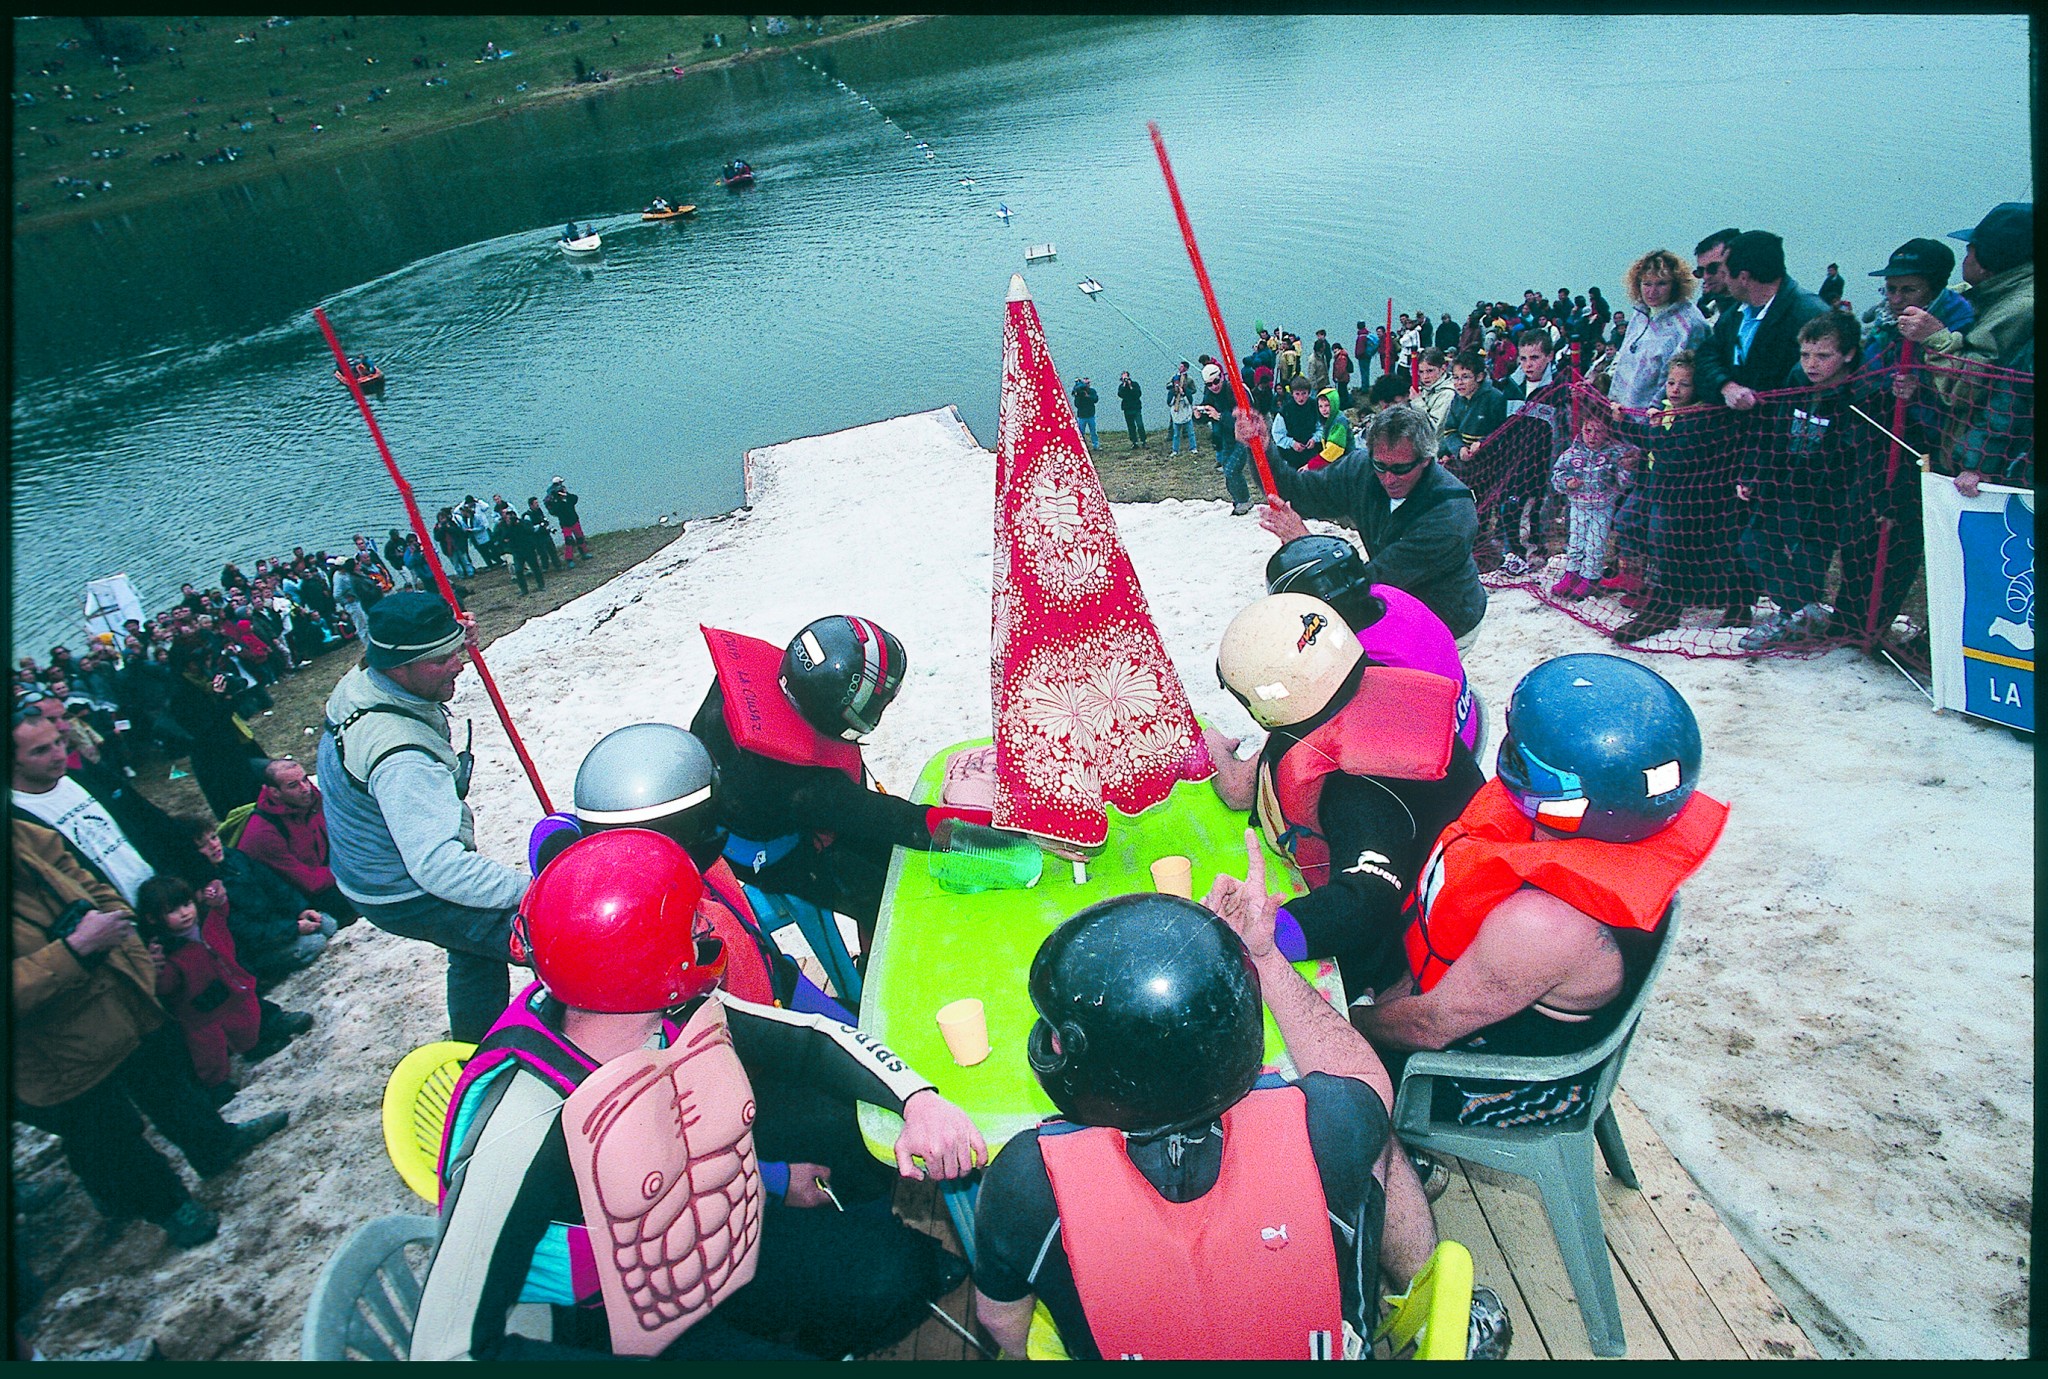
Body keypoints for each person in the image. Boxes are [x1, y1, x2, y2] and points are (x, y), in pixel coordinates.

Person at [409, 829, 985, 1360]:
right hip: (596, 1320)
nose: (706, 931)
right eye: (689, 923)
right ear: (639, 960)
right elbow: (447, 1347)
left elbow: (809, 1042)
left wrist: (918, 1099)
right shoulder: (524, 1119)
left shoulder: (659, 1007)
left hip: (706, 1242)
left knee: (898, 1273)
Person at [971, 885, 1503, 1360]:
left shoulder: (1025, 1179)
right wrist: (1266, 957)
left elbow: (1004, 1326)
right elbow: (1366, 1079)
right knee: (1374, 1156)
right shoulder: (1329, 1126)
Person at [1352, 655, 1726, 1132]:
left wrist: (1354, 1021)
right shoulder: (1621, 834)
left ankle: (1410, 1163)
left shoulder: (1544, 924)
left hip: (1511, 1081)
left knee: (1323, 1081)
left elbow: (1429, 1027)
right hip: (1490, 1001)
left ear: (1569, 799)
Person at [12, 805, 288, 1250]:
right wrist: (75, 949)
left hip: (116, 991)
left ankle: (215, 1143)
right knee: (108, 1131)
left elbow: (86, 880)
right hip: (53, 1043)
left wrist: (125, 940)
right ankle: (167, 1206)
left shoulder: (19, 832)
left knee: (166, 1080)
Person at [1205, 592, 1482, 999]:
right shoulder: (1365, 683)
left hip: (1422, 944)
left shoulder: (1349, 783)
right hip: (1439, 863)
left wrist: (1258, 935)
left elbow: (1365, 904)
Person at [690, 617, 992, 951]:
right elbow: (904, 823)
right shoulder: (811, 789)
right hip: (764, 851)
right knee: (881, 888)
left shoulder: (737, 682)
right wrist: (993, 825)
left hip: (739, 805)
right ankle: (871, 963)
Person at [318, 592, 527, 1042]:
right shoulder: (401, 757)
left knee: (474, 951)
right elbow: (439, 868)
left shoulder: (367, 679)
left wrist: (455, 640)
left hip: (369, 869)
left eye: (456, 652)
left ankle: (475, 1048)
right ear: (399, 667)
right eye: (442, 660)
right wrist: (531, 890)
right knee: (549, 937)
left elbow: (421, 651)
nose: (459, 664)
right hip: (404, 889)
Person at [1260, 405, 1488, 642]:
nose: (1389, 479)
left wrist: (1305, 547)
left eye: (1401, 469)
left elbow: (1371, 583)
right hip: (1394, 603)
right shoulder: (1362, 469)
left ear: (1426, 460)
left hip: (1448, 622)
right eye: (1380, 466)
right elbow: (1297, 492)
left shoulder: (1450, 517)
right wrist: (1263, 447)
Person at [1736, 312, 1883, 651]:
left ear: (1847, 354)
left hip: (1829, 497)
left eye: (1823, 356)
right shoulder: (1795, 380)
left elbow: (1863, 453)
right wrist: (1754, 472)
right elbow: (1771, 431)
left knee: (1808, 561)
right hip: (1785, 486)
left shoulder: (1861, 393)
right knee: (1754, 544)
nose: (1811, 364)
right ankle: (1800, 611)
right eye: (1805, 355)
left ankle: (1793, 619)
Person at [1609, 351, 1751, 644]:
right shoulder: (1664, 412)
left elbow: (1670, 449)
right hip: (1663, 493)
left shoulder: (1701, 416)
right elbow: (1656, 443)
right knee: (1656, 540)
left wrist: (1637, 426)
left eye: (1683, 385)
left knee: (1714, 550)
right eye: (1671, 383)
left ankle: (1732, 605)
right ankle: (1662, 601)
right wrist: (1630, 423)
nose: (1674, 390)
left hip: (1695, 500)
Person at [132, 875, 313, 1101]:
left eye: (186, 904)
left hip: (229, 989)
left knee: (246, 1020)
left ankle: (254, 1046)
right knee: (209, 1050)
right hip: (198, 1009)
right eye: (172, 910)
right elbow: (166, 986)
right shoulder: (165, 950)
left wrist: (218, 901)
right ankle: (216, 1085)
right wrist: (156, 970)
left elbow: (221, 914)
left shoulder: (205, 923)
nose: (185, 913)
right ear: (152, 918)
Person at [11, 711, 156, 906]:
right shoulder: (17, 818)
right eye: (41, 750)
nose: (58, 754)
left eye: (59, 742)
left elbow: (144, 820)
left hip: (160, 900)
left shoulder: (81, 777)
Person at [188, 817, 338, 985]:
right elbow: (244, 931)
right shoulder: (209, 891)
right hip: (260, 946)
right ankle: (271, 974)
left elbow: (274, 886)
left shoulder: (235, 858)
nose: (214, 845)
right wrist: (293, 929)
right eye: (203, 845)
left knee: (328, 924)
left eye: (214, 837)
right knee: (314, 943)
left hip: (280, 923)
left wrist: (301, 910)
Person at [1692, 230, 1831, 409]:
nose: (1723, 280)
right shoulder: (1734, 314)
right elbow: (1706, 356)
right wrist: (1726, 386)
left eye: (1725, 273)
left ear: (1743, 277)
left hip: (1785, 428)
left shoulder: (1811, 315)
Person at [236, 757, 356, 923]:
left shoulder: (313, 800)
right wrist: (352, 869)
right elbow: (308, 882)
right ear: (274, 792)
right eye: (293, 785)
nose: (305, 788)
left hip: (327, 873)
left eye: (305, 780)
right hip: (297, 899)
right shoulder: (263, 833)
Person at [1490, 328, 1571, 575]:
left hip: (1540, 466)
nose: (1528, 365)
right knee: (1507, 509)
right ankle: (1512, 551)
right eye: (1523, 359)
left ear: (1549, 356)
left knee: (1528, 512)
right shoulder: (1512, 388)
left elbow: (1564, 434)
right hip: (1511, 463)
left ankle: (1529, 554)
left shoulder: (1558, 392)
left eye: (1534, 358)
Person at [1549, 397, 1640, 601]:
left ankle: (1590, 578)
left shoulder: (1615, 452)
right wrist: (1567, 483)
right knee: (1575, 543)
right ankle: (1572, 574)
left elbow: (1624, 483)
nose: (1592, 436)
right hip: (1578, 506)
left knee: (1594, 545)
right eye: (1588, 430)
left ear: (1607, 431)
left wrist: (1625, 470)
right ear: (1581, 429)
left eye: (1599, 431)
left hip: (1602, 507)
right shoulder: (1571, 454)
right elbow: (1556, 475)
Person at [1605, 249, 1712, 410]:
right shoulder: (1640, 314)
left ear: (1675, 285)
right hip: (1620, 412)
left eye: (1661, 283)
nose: (1652, 291)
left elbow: (1680, 377)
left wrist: (1654, 413)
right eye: (1647, 284)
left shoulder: (1691, 324)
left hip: (1657, 420)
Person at [1194, 362, 1254, 515]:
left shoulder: (1235, 390)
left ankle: (1244, 500)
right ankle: (1239, 499)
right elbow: (1208, 411)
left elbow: (1245, 419)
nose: (1214, 386)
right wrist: (1199, 416)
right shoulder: (1210, 394)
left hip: (1246, 436)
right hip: (1227, 436)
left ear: (1222, 377)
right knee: (1227, 470)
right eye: (1209, 384)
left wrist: (1219, 416)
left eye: (1216, 382)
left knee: (1232, 469)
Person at [1439, 350, 1507, 466]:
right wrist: (1458, 449)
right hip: (1462, 461)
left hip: (1489, 463)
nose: (1459, 383)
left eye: (1465, 377)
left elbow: (1503, 431)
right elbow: (1450, 430)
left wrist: (1483, 443)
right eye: (1455, 378)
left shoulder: (1495, 398)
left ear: (1479, 377)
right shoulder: (1457, 398)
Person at [1269, 374, 1325, 471]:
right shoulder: (1285, 411)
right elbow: (1277, 434)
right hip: (1291, 454)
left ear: (1309, 393)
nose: (1301, 398)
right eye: (1297, 394)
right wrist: (1292, 443)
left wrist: (1314, 439)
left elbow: (1321, 427)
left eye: (1304, 393)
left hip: (1311, 451)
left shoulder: (1315, 406)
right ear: (1292, 394)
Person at [494, 503, 545, 595]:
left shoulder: (523, 523)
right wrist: (509, 528)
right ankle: (524, 590)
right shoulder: (504, 526)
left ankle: (541, 585)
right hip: (516, 551)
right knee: (518, 570)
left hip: (528, 549)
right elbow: (503, 537)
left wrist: (518, 524)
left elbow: (530, 531)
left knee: (535, 568)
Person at [1693, 227, 1741, 322]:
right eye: (1701, 271)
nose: (1706, 276)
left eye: (1713, 268)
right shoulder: (1704, 307)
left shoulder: (1754, 308)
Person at [545, 476, 591, 563]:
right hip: (565, 523)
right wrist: (559, 499)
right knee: (568, 540)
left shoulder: (568, 497)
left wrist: (566, 495)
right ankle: (569, 559)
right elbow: (555, 511)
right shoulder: (556, 501)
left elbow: (575, 499)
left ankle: (584, 553)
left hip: (574, 520)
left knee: (580, 537)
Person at [1413, 347, 1455, 431]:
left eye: (1430, 371)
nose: (1425, 377)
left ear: (1443, 369)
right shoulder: (1425, 389)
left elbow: (1433, 429)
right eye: (1421, 372)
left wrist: (1417, 402)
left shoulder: (1448, 394)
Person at [434, 507, 476, 578]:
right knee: (455, 563)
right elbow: (437, 538)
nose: (443, 520)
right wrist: (441, 529)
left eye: (444, 518)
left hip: (458, 545)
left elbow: (458, 532)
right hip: (448, 548)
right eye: (441, 519)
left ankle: (470, 573)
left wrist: (448, 528)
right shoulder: (437, 528)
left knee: (465, 560)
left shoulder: (451, 523)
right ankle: (461, 575)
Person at [1165, 374, 1197, 456]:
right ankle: (1175, 450)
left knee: (1191, 433)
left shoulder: (1187, 391)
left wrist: (1183, 394)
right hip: (1177, 416)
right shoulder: (1171, 392)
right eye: (1175, 382)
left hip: (1186, 415)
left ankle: (1193, 448)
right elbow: (1170, 403)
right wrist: (1175, 396)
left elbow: (1189, 402)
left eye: (1178, 382)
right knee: (1176, 435)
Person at [1116, 371, 1146, 447]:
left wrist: (1130, 386)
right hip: (1127, 408)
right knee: (1131, 426)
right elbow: (1120, 394)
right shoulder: (1121, 386)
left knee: (1140, 424)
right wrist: (1124, 385)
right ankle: (1134, 442)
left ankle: (1143, 440)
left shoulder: (1135, 384)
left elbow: (1138, 394)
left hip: (1136, 408)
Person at [1070, 376, 1099, 451]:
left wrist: (1087, 396)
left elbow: (1095, 399)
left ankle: (1096, 445)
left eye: (1088, 383)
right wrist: (1079, 396)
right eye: (1085, 383)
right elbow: (1077, 404)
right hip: (1082, 415)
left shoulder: (1092, 391)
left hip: (1090, 414)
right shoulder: (1079, 394)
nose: (1087, 385)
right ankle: (1081, 446)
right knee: (1081, 432)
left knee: (1093, 431)